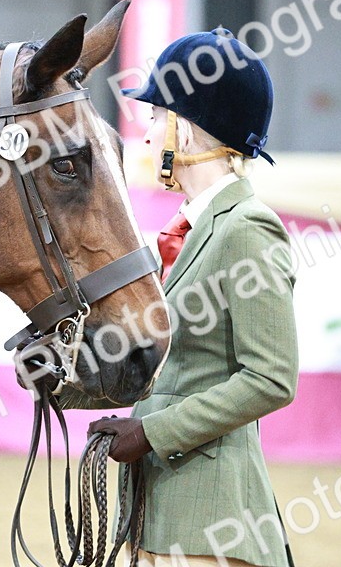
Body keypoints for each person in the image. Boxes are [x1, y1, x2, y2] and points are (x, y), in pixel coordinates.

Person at [61, 29, 299, 567]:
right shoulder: (188, 231)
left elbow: (272, 378)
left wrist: (151, 433)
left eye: (155, 118)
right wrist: (65, 383)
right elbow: (171, 374)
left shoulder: (248, 229)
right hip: (161, 512)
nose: (147, 137)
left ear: (186, 131)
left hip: (212, 516)